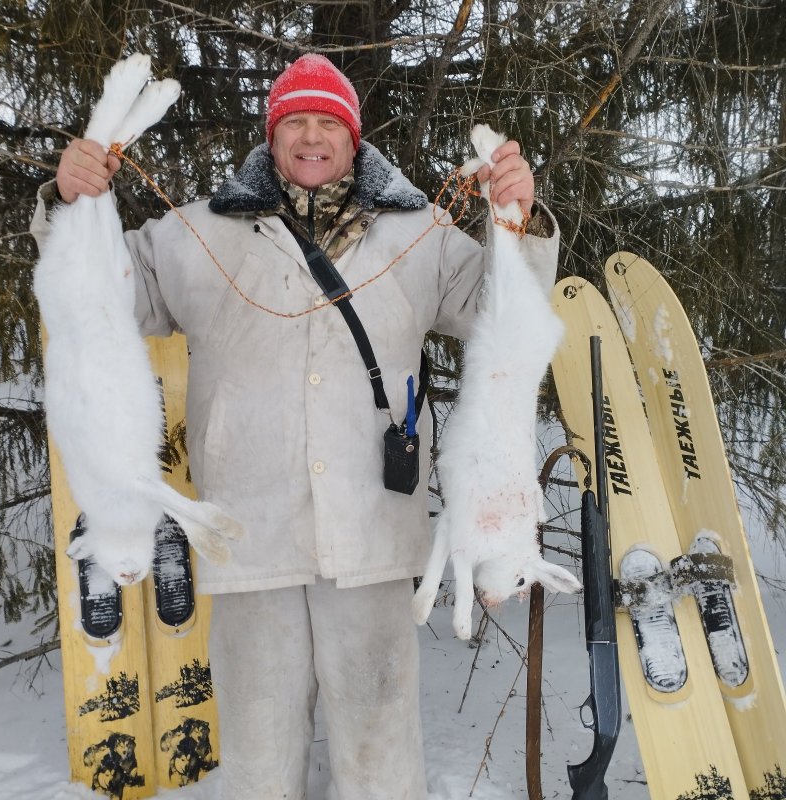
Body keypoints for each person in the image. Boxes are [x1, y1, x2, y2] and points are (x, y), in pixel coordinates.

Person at [34, 53, 559, 800]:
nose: (312, 138)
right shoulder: (195, 234)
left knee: (379, 755)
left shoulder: (421, 233)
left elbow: (502, 314)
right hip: (253, 536)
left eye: (328, 123)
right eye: (295, 122)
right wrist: (71, 203)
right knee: (257, 759)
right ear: (271, 135)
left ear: (354, 137)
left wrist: (519, 221)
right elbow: (99, 293)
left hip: (372, 532)